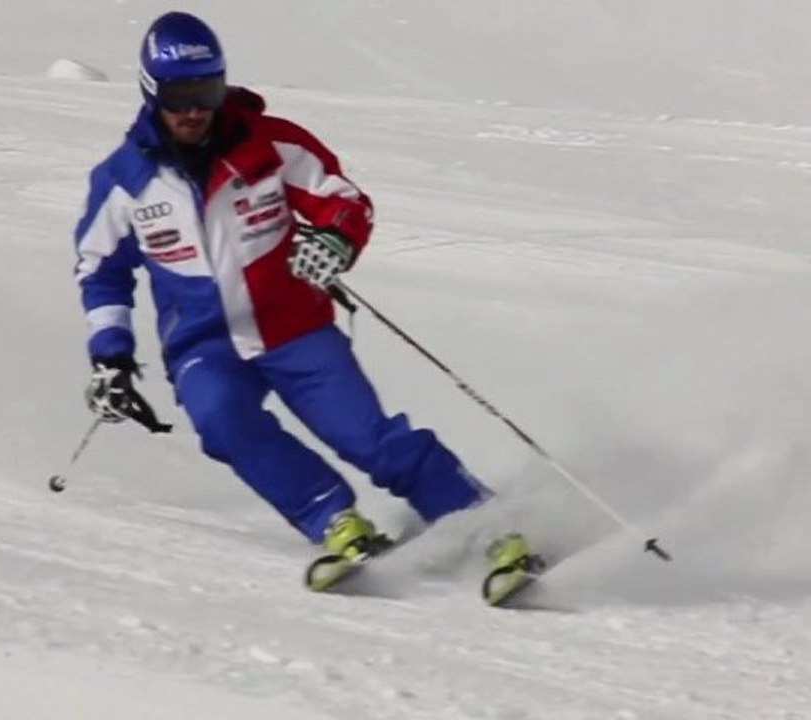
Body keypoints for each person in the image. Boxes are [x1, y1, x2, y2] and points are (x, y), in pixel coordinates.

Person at [73, 11, 516, 566]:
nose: (193, 111)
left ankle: (485, 524)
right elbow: (99, 268)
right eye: (178, 96)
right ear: (150, 91)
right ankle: (333, 519)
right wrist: (110, 355)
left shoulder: (271, 143)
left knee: (367, 438)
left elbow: (344, 200)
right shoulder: (123, 180)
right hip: (203, 344)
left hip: (294, 328)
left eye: (206, 92)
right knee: (223, 423)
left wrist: (336, 239)